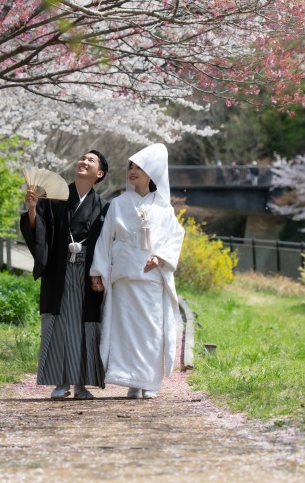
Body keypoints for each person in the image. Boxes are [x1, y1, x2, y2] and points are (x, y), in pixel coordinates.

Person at [89, 143, 184, 400]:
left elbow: (176, 237)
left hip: (150, 279)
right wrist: (97, 271)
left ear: (152, 173)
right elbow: (105, 239)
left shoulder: (165, 209)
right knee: (125, 332)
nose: (132, 171)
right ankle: (131, 380)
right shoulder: (118, 204)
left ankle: (149, 381)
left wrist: (160, 257)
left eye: (139, 167)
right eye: (130, 167)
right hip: (123, 279)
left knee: (151, 330)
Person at [20, 150, 110, 400]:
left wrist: (100, 272)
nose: (84, 161)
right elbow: (39, 230)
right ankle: (61, 381)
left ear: (100, 173)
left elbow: (107, 244)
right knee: (60, 324)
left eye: (91, 160)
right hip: (60, 270)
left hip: (88, 272)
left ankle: (82, 383)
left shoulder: (103, 206)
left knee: (85, 325)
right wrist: (32, 209)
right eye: (82, 158)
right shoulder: (55, 199)